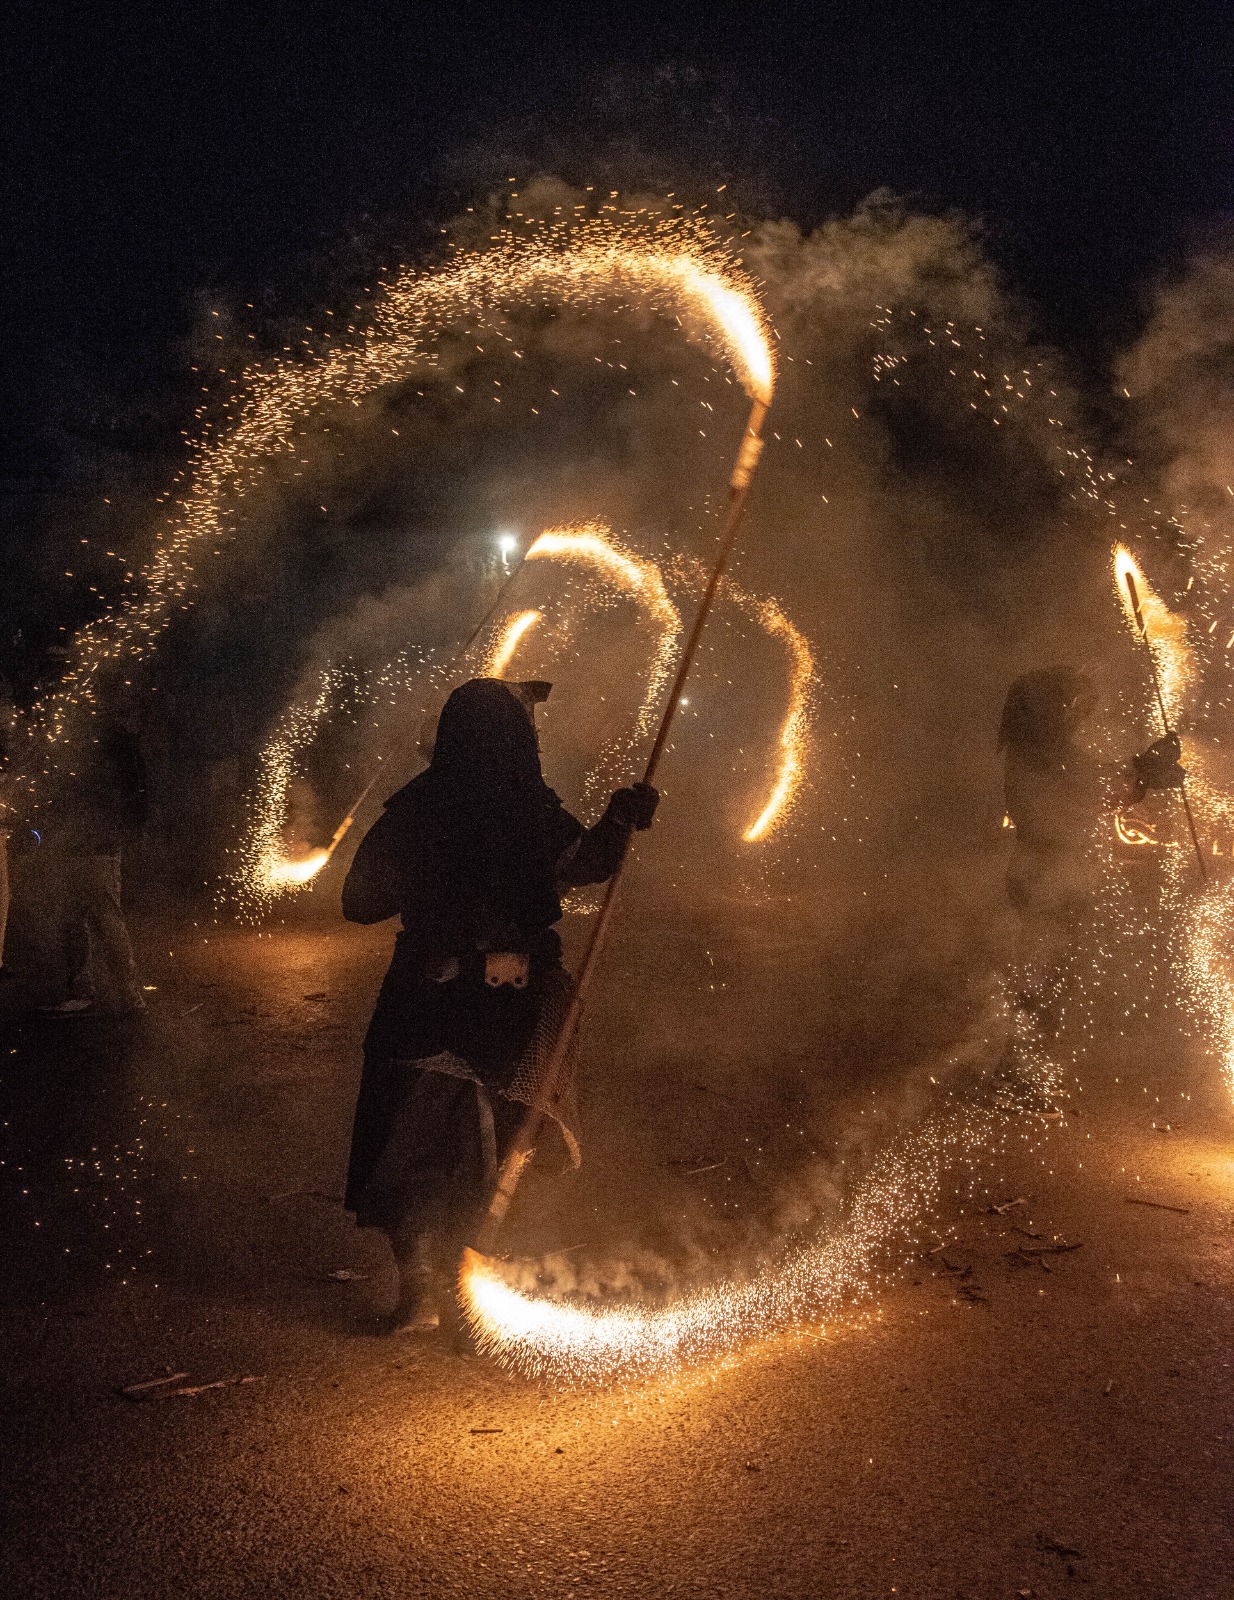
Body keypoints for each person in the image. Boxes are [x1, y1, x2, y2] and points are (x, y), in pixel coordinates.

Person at [342, 677, 658, 1334]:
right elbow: (586, 861)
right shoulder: (527, 809)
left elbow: (360, 902)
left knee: (411, 1145)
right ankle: (453, 1294)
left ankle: (425, 1291)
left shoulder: (417, 809)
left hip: (424, 999)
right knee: (478, 1150)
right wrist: (619, 820)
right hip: (502, 1004)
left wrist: (417, 860)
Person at [40, 711, 149, 1016]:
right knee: (76, 918)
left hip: (96, 841)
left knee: (102, 916)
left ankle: (125, 994)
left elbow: (123, 793)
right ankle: (104, 993)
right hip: (83, 840)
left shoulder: (105, 743)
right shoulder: (107, 739)